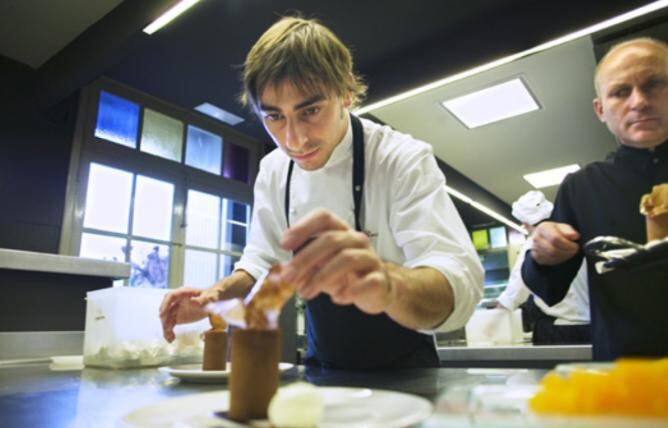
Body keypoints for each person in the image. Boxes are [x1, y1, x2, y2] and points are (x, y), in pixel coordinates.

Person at [160, 15, 483, 369]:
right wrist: (218, 294)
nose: (294, 140)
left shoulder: (399, 158)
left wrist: (390, 285)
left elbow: (458, 279)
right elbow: (264, 261)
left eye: (310, 110)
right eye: (274, 117)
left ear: (345, 91)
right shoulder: (273, 170)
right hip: (322, 370)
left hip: (408, 375)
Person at [522, 37, 668, 359]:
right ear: (600, 110)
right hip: (624, 375)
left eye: (654, 84)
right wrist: (542, 255)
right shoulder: (581, 186)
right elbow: (549, 288)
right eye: (620, 92)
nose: (639, 101)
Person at [496, 191, 590, 345]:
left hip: (560, 331)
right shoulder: (574, 234)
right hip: (590, 326)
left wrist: (493, 319)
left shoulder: (536, 243)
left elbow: (516, 291)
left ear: (526, 224)